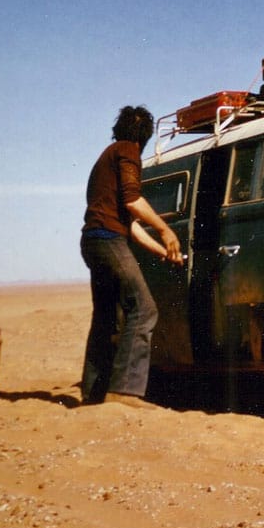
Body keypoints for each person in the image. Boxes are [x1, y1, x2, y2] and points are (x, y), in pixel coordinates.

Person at [80, 106, 183, 407]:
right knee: (144, 309)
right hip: (108, 239)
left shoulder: (106, 156)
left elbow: (132, 225)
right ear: (144, 137)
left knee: (106, 318)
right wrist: (166, 230)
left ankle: (93, 394)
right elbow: (133, 200)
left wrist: (163, 251)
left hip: (94, 240)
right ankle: (124, 392)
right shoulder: (127, 151)